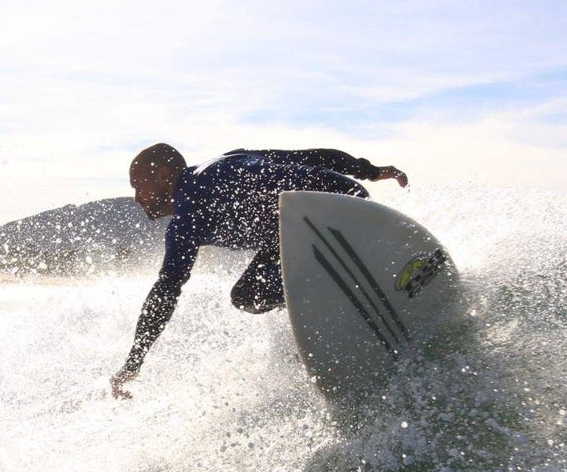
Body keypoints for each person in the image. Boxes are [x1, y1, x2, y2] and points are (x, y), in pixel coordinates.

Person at [110, 143, 409, 399]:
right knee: (247, 293)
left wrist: (134, 361)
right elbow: (311, 157)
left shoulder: (187, 217)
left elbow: (166, 291)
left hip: (323, 219)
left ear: (164, 176)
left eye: (138, 186)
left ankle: (339, 313)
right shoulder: (229, 159)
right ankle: (341, 310)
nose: (137, 197)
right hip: (345, 201)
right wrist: (369, 172)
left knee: (248, 296)